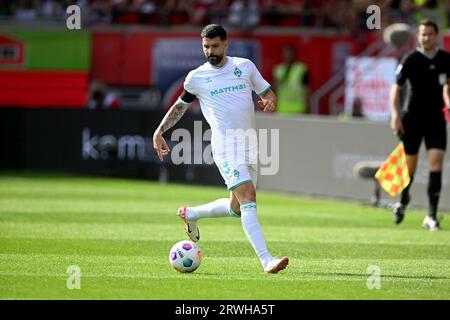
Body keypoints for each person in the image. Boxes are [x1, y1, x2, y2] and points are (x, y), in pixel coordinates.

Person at [153, 24, 288, 273]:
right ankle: (266, 260)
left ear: (226, 44)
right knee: (249, 198)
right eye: (206, 46)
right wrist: (160, 130)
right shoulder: (196, 77)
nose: (210, 51)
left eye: (215, 46)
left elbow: (268, 93)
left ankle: (191, 214)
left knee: (236, 208)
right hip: (226, 148)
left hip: (250, 146)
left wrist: (269, 101)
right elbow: (180, 106)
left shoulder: (244, 67)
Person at [390, 19, 450, 231]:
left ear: (436, 36)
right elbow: (396, 89)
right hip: (412, 118)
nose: (426, 38)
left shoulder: (445, 59)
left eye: (430, 34)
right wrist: (395, 115)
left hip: (435, 119)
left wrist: (448, 103)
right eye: (423, 34)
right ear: (418, 36)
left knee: (436, 164)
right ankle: (403, 200)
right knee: (410, 167)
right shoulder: (411, 59)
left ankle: (431, 216)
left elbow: (447, 87)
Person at [272, 45, 309, 114]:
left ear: (294, 55)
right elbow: (274, 90)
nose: (288, 56)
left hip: (298, 109)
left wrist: (307, 107)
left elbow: (307, 90)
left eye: (290, 54)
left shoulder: (302, 69)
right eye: (286, 53)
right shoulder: (278, 69)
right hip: (282, 109)